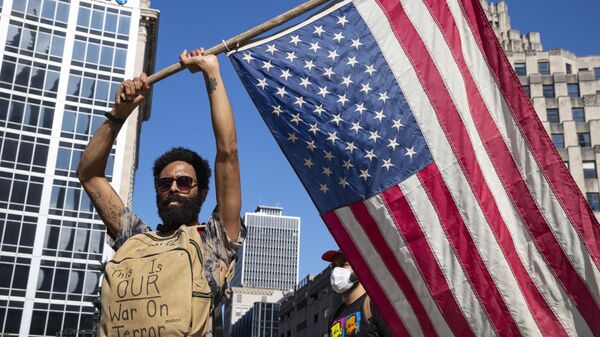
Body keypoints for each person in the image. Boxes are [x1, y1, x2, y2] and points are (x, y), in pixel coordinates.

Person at [77, 48, 245, 336]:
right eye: (165, 184)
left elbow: (227, 152)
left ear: (202, 192)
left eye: (184, 182)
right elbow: (89, 175)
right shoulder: (134, 239)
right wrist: (120, 114)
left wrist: (211, 72)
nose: (174, 189)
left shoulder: (216, 240)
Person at [322, 250, 393, 337]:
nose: (336, 271)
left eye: (343, 264)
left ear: (359, 268)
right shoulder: (334, 317)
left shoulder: (376, 305)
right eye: (333, 266)